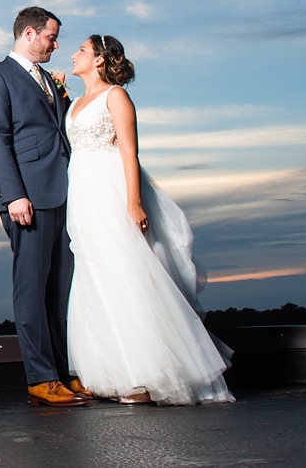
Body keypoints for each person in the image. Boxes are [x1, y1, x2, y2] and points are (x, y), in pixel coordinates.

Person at [64, 34, 234, 405]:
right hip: (82, 196)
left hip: (112, 191)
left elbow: (129, 150)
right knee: (96, 276)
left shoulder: (116, 97)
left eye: (81, 49)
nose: (72, 54)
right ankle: (113, 371)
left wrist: (134, 202)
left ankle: (146, 377)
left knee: (127, 272)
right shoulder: (74, 102)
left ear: (99, 60)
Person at [0, 7, 90, 407]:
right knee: (31, 290)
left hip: (61, 193)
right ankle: (40, 379)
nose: (55, 45)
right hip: (26, 198)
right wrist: (15, 195)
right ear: (29, 33)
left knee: (59, 289)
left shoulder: (47, 80)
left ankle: (62, 373)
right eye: (50, 37)